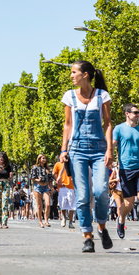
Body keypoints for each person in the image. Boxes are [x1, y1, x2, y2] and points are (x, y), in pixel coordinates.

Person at [60, 60, 113, 253]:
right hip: (77, 150)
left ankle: (101, 226)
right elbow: (67, 125)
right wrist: (63, 150)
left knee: (100, 192)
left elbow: (107, 124)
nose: (71, 76)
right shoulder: (69, 96)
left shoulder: (102, 95)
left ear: (85, 75)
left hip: (99, 149)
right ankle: (87, 236)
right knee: (82, 196)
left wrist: (109, 150)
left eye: (74, 72)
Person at [112, 103, 139, 239]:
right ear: (127, 114)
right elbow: (112, 145)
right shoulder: (119, 129)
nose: (137, 114)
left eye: (138, 112)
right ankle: (121, 219)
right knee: (129, 202)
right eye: (135, 112)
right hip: (126, 169)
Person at [31, 154, 52, 228]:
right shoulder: (35, 167)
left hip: (45, 187)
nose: (44, 159)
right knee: (39, 206)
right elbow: (33, 178)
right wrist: (38, 180)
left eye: (45, 158)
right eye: (43, 158)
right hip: (38, 187)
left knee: (48, 204)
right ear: (39, 159)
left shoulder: (47, 168)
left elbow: (50, 179)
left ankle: (46, 220)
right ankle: (40, 221)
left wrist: (51, 187)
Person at [53, 161, 75, 229]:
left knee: (72, 206)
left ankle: (70, 222)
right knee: (62, 205)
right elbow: (54, 173)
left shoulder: (73, 163)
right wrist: (58, 181)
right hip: (62, 187)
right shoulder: (58, 164)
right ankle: (64, 218)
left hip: (71, 187)